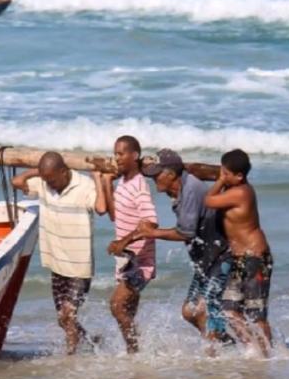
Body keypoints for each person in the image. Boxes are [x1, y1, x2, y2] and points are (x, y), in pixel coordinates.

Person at [124, 149, 231, 351]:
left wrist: (151, 233)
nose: (154, 179)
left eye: (157, 175)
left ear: (171, 174)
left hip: (221, 256)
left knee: (204, 309)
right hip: (206, 260)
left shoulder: (190, 190)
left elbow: (186, 233)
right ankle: (225, 345)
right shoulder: (180, 189)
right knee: (189, 311)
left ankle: (215, 354)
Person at [12, 152, 101, 354]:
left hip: (79, 266)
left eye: (52, 179)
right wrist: (38, 173)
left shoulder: (84, 185)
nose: (49, 184)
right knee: (63, 319)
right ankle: (91, 341)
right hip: (56, 263)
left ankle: (70, 358)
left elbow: (101, 207)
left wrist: (99, 178)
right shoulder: (44, 183)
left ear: (64, 171)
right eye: (46, 179)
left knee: (67, 316)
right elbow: (16, 181)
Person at [204, 149, 273, 355]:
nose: (222, 176)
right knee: (229, 309)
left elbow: (208, 201)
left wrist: (218, 180)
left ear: (239, 176)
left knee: (256, 313)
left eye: (226, 173)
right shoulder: (234, 189)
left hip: (255, 258)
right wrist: (224, 178)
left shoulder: (241, 192)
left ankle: (266, 355)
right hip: (240, 259)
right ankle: (253, 349)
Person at [98, 136, 158, 354]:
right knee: (128, 312)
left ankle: (135, 352)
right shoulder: (124, 183)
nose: (117, 158)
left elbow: (151, 222)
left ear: (134, 156)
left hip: (140, 261)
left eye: (121, 154)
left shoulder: (139, 186)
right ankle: (137, 357)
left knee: (117, 305)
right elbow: (116, 216)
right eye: (115, 154)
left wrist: (123, 241)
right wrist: (106, 183)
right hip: (125, 261)